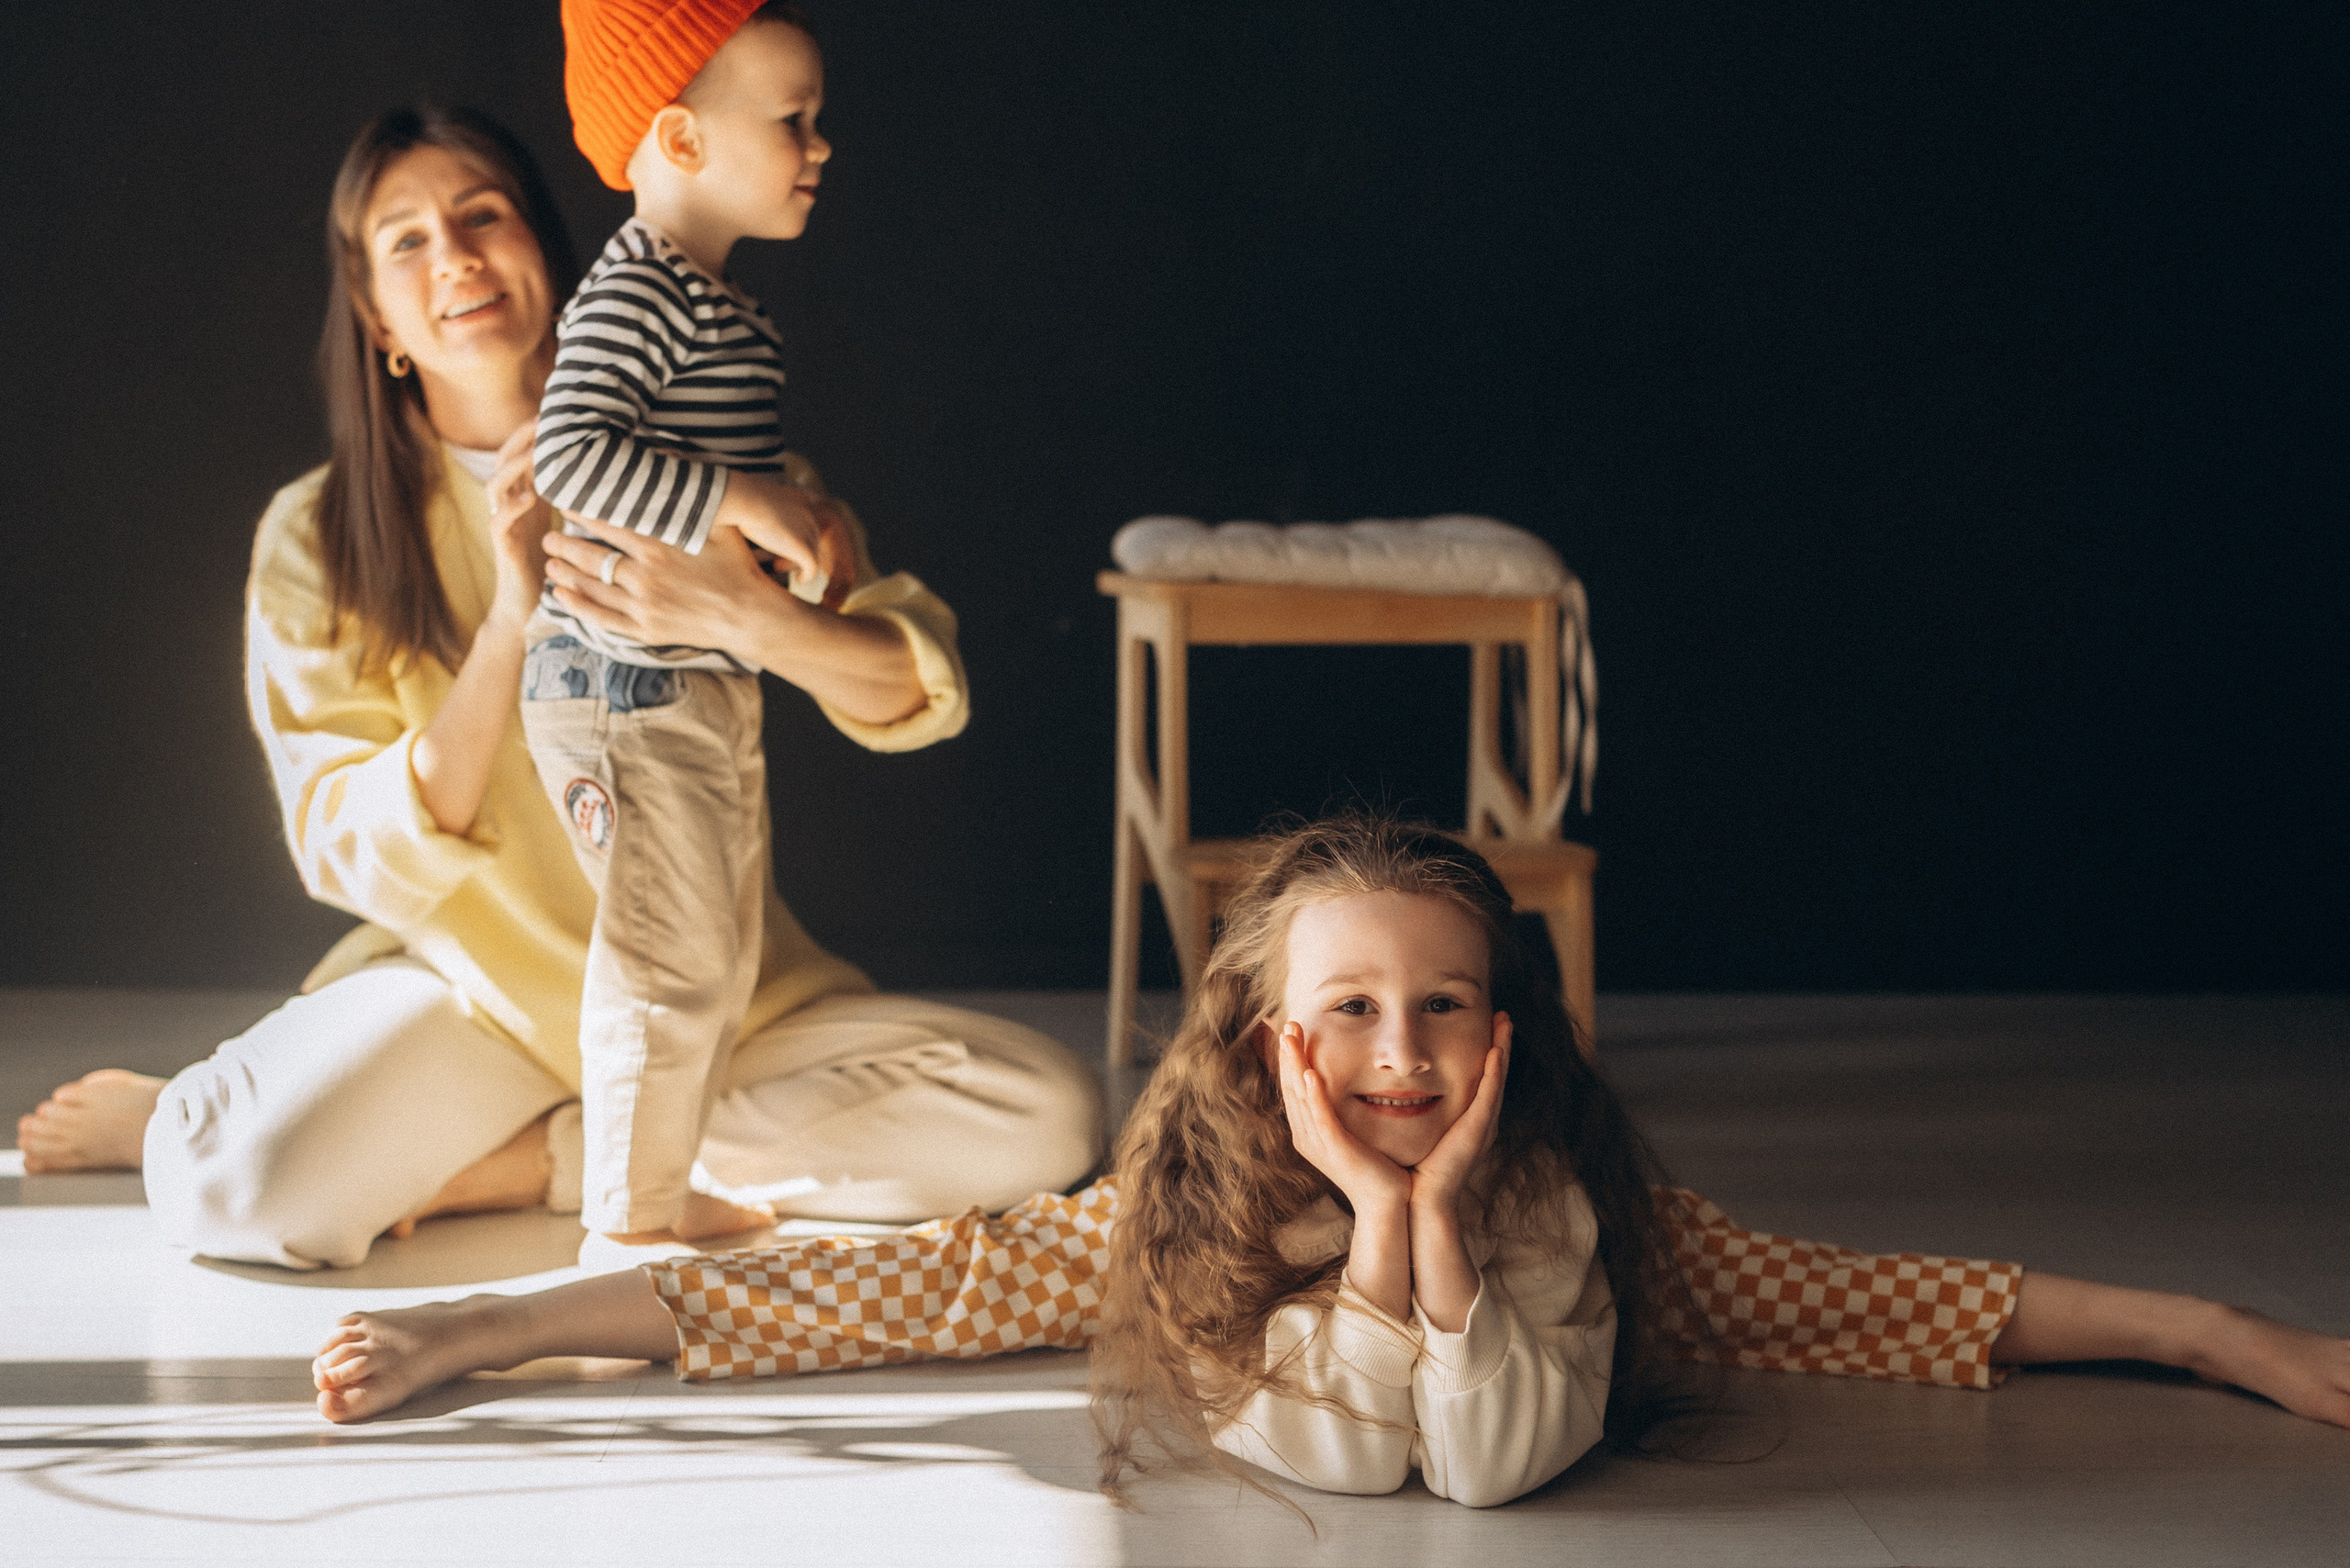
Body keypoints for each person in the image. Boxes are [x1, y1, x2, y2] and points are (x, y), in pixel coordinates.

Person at [309, 818, 2350, 1506]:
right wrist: (497, 1323)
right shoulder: (1176, 1205)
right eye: (1351, 1012)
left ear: (1505, 1026)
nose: (1397, 1053)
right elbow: (843, 1294)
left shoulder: (1567, 1192)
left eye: (1443, 1007)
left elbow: (1867, 1296)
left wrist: (2203, 1330)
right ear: (1271, 1036)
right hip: (1230, 1247)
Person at [11, 101, 1101, 1270]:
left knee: (1047, 1110)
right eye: (409, 240)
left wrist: (747, 614)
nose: (459, 259)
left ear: (550, 253)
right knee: (231, 1180)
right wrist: (515, 618)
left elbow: (909, 683)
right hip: (471, 1000)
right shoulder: (317, 535)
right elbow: (341, 845)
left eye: (484, 216)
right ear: (376, 314)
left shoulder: (725, 474)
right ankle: (241, 1115)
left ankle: (533, 1164)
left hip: (721, 998)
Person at [519, 0, 868, 1250]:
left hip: (689, 680)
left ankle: (655, 1185)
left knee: (715, 954)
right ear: (678, 136)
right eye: (793, 122)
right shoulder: (640, 290)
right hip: (621, 682)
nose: (820, 147)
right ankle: (625, 1227)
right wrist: (746, 497)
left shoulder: (713, 304)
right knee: (666, 962)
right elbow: (569, 452)